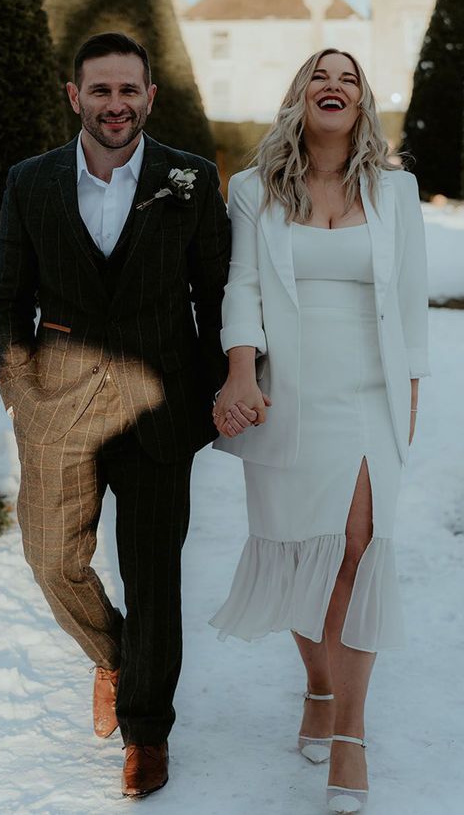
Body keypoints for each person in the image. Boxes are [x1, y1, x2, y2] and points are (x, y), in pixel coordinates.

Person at [0, 32, 230, 798]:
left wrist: (227, 384)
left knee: (154, 578)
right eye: (101, 90)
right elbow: (9, 299)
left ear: (150, 97)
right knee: (51, 559)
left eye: (130, 91)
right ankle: (117, 658)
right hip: (58, 403)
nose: (116, 105)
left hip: (159, 404)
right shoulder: (30, 182)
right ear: (75, 96)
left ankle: (147, 733)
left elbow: (217, 293)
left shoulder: (190, 178)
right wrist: (18, 386)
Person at [210, 49, 429, 814]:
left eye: (348, 77)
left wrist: (408, 400)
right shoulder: (251, 189)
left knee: (358, 552)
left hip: (369, 397)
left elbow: (408, 304)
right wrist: (241, 372)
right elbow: (240, 285)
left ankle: (351, 736)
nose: (333, 85)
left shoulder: (395, 191)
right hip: (287, 395)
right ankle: (318, 683)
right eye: (319, 75)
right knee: (302, 554)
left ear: (362, 100)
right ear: (299, 94)